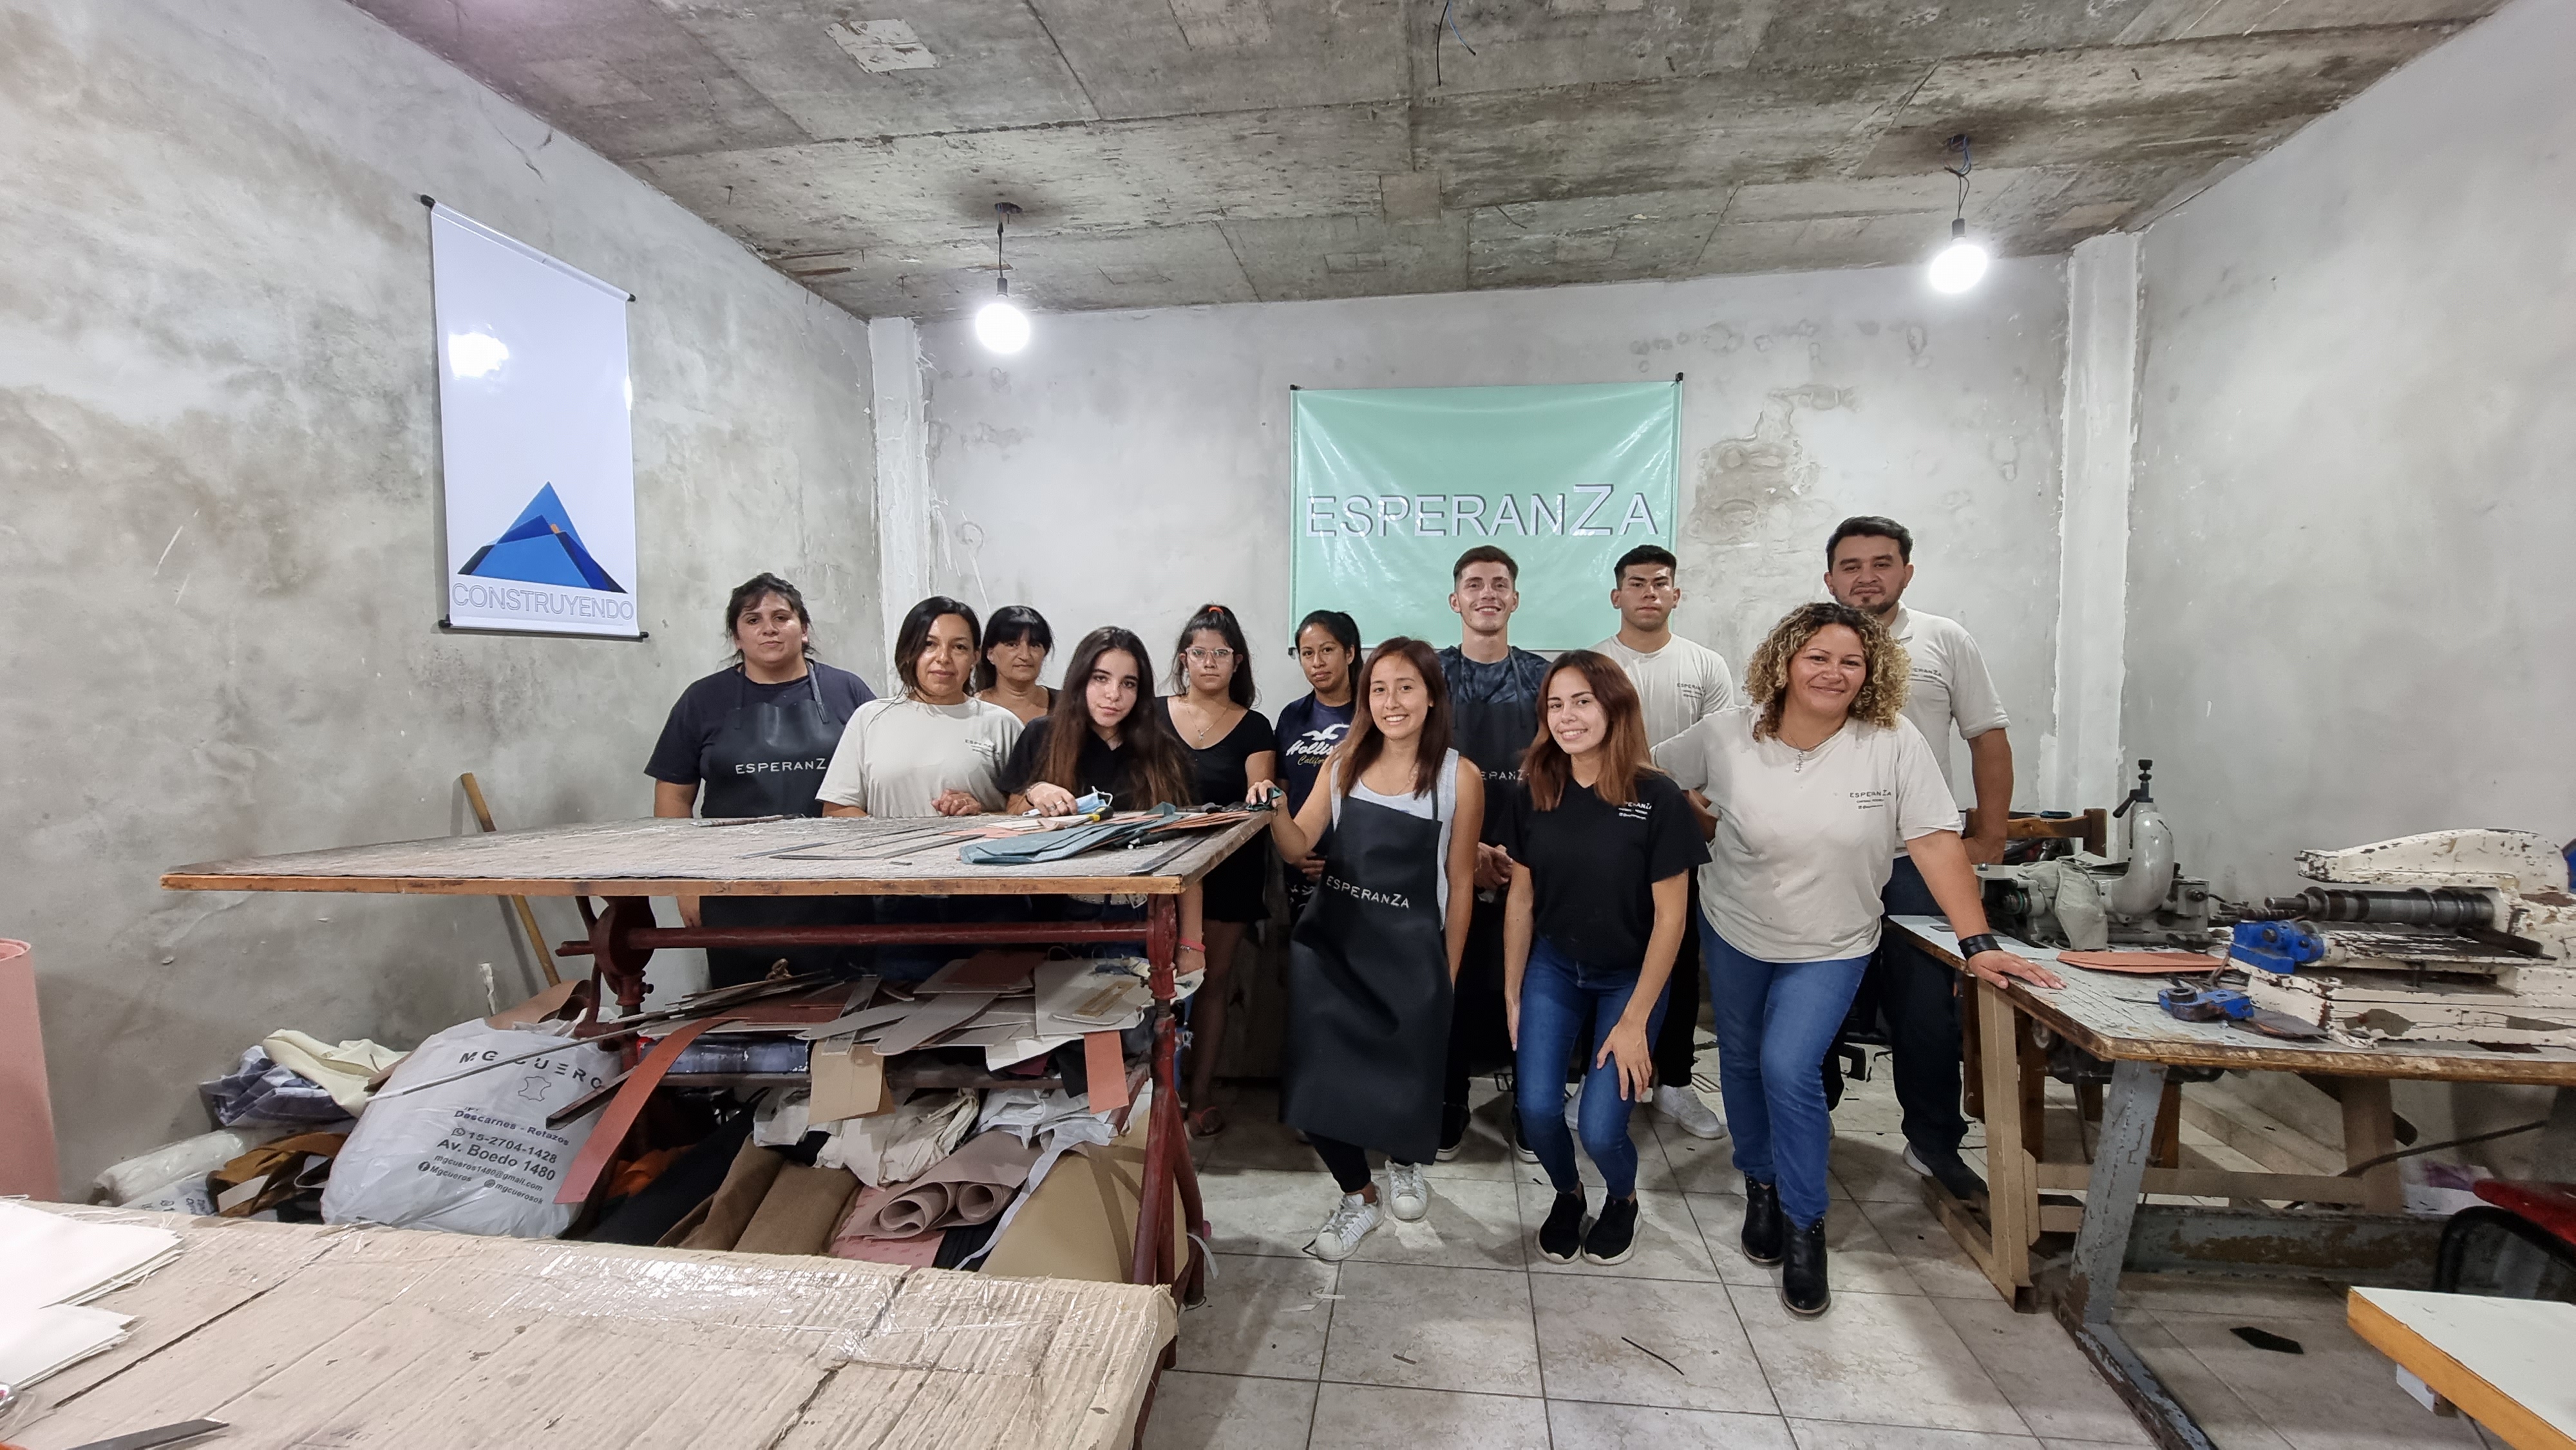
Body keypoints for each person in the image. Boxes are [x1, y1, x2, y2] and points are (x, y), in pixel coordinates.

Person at [1654, 601, 2062, 1317]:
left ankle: (1804, 1223)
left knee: (1790, 1066)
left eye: (1850, 660)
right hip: (1737, 926)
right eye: (1816, 655)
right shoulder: (1725, 734)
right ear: (1783, 661)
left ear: (1871, 671)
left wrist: (1978, 943)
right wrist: (1696, 816)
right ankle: (1760, 1183)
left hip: (1836, 940)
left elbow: (1935, 841)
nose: (1833, 671)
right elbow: (1647, 774)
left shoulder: (1892, 740)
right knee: (1744, 1062)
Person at [1255, 638, 1482, 1259]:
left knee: (1408, 1080)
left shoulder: (1460, 778)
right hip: (1334, 951)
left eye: (1406, 687)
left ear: (1433, 697)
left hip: (1412, 956)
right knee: (1316, 1085)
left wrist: (1448, 974)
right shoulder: (1344, 762)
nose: (1391, 701)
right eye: (1379, 689)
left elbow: (1461, 885)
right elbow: (1299, 846)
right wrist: (1272, 805)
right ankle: (1360, 1195)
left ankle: (1406, 1163)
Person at [1821, 516, 2013, 1202]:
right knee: (1814, 998)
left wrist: (1988, 835)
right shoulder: (1811, 644)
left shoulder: (1943, 641)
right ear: (1829, 578)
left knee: (1927, 1009)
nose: (1865, 575)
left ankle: (1933, 1141)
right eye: (1850, 565)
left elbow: (1986, 736)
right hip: (1832, 858)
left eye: (1881, 562)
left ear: (1906, 571)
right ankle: (1807, 1129)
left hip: (1918, 859)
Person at [1504, 652, 1706, 1266]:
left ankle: (1622, 1199)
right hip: (1554, 969)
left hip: (1631, 979)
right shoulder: (1536, 788)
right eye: (1555, 705)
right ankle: (1568, 1194)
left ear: (1614, 706)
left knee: (1598, 1128)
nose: (1567, 717)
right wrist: (1513, 993)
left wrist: (1637, 1021)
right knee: (1537, 1112)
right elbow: (1521, 898)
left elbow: (1673, 919)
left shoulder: (1660, 796)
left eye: (1582, 701)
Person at [645, 574, 876, 987]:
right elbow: (674, 797)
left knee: (843, 1017)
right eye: (752, 619)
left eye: (781, 617)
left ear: (804, 630)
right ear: (736, 636)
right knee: (745, 1020)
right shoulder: (701, 700)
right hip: (734, 896)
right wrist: (684, 884)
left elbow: (881, 780)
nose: (768, 628)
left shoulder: (849, 692)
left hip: (838, 892)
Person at [1591, 544, 1736, 1143]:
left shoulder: (1705, 665)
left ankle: (1674, 1080)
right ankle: (1595, 1076)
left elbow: (1726, 754)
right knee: (1599, 957)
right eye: (1636, 583)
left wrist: (1693, 806)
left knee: (1677, 955)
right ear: (1616, 595)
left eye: (1660, 583)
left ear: (1676, 594)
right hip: (1605, 833)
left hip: (1680, 830)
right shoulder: (1594, 664)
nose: (1649, 592)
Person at [817, 596, 1023, 979]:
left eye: (959, 647)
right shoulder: (871, 719)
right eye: (929, 644)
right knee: (900, 1016)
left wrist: (982, 813)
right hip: (897, 903)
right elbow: (837, 812)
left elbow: (1026, 818)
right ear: (909, 651)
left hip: (988, 900)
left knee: (993, 1013)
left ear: (976, 656)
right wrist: (896, 847)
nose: (943, 658)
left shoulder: (1001, 724)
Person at [998, 625, 1210, 981]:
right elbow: (1011, 818)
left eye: (1128, 683)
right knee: (1064, 1033)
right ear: (1080, 679)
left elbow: (1189, 856)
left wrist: (1191, 944)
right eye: (1101, 678)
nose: (1113, 695)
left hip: (1142, 916)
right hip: (1055, 917)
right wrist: (1036, 791)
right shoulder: (1042, 735)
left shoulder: (1163, 752)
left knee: (1134, 1033)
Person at [1436, 545, 1553, 1161]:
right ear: (1455, 600)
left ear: (1515, 598)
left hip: (1527, 860)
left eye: (1499, 584)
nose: (1488, 593)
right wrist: (1466, 845)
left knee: (1531, 988)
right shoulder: (1429, 674)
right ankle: (1448, 1099)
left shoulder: (1542, 678)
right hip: (1445, 857)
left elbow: (1556, 771)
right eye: (1474, 584)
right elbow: (1412, 765)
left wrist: (1518, 853)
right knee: (1446, 983)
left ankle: (1532, 1104)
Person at [1162, 605, 1277, 1138]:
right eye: (1201, 652)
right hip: (1158, 871)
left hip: (1229, 870)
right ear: (1185, 659)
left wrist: (1260, 795)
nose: (1210, 662)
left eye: (1222, 654)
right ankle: (1153, 1097)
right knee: (1149, 984)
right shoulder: (1152, 715)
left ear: (1238, 662)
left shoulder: (1255, 725)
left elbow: (1260, 787)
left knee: (1212, 982)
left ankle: (1200, 1095)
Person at [1273, 610, 1361, 922]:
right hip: (1302, 868)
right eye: (1307, 653)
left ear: (1349, 653)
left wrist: (1345, 860)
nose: (1317, 663)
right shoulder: (1291, 716)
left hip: (1360, 872)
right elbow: (1282, 793)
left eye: (1327, 650)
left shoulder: (1373, 716)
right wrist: (1296, 854)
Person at [975, 605, 1056, 724]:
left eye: (1034, 645)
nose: (1025, 656)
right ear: (990, 654)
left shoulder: (1068, 707)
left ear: (1045, 652)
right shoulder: (971, 711)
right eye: (1012, 645)